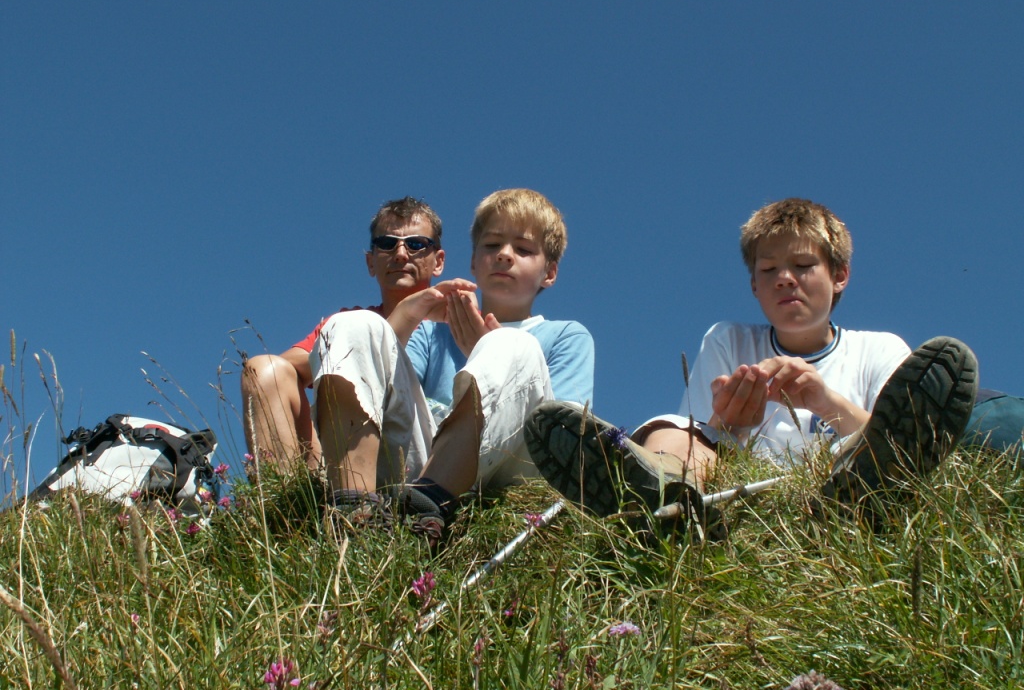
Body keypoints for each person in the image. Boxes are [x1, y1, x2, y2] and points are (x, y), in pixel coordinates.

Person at [524, 197, 979, 528]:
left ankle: (856, 498)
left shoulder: (879, 349)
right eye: (768, 271)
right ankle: (664, 501)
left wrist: (825, 401)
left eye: (803, 265)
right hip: (740, 491)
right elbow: (701, 438)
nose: (785, 279)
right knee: (668, 426)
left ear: (839, 276)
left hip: (832, 480)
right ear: (754, 288)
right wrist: (727, 423)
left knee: (872, 442)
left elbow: (897, 434)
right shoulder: (729, 340)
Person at [312, 188, 594, 543]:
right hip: (422, 459)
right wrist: (408, 315)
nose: (505, 255)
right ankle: (352, 510)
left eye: (523, 249)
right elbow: (388, 396)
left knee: (511, 344)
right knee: (351, 323)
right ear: (474, 261)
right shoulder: (432, 332)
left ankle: (425, 511)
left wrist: (485, 350)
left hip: (505, 468)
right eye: (492, 245)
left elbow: (562, 435)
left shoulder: (566, 335)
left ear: (549, 273)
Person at [241, 196, 448, 474]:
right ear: (371, 262)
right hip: (340, 454)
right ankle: (286, 506)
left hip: (430, 457)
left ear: (438, 261)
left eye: (416, 244)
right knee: (262, 370)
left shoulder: (458, 321)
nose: (400, 253)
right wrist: (350, 354)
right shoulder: (347, 323)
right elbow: (284, 368)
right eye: (387, 243)